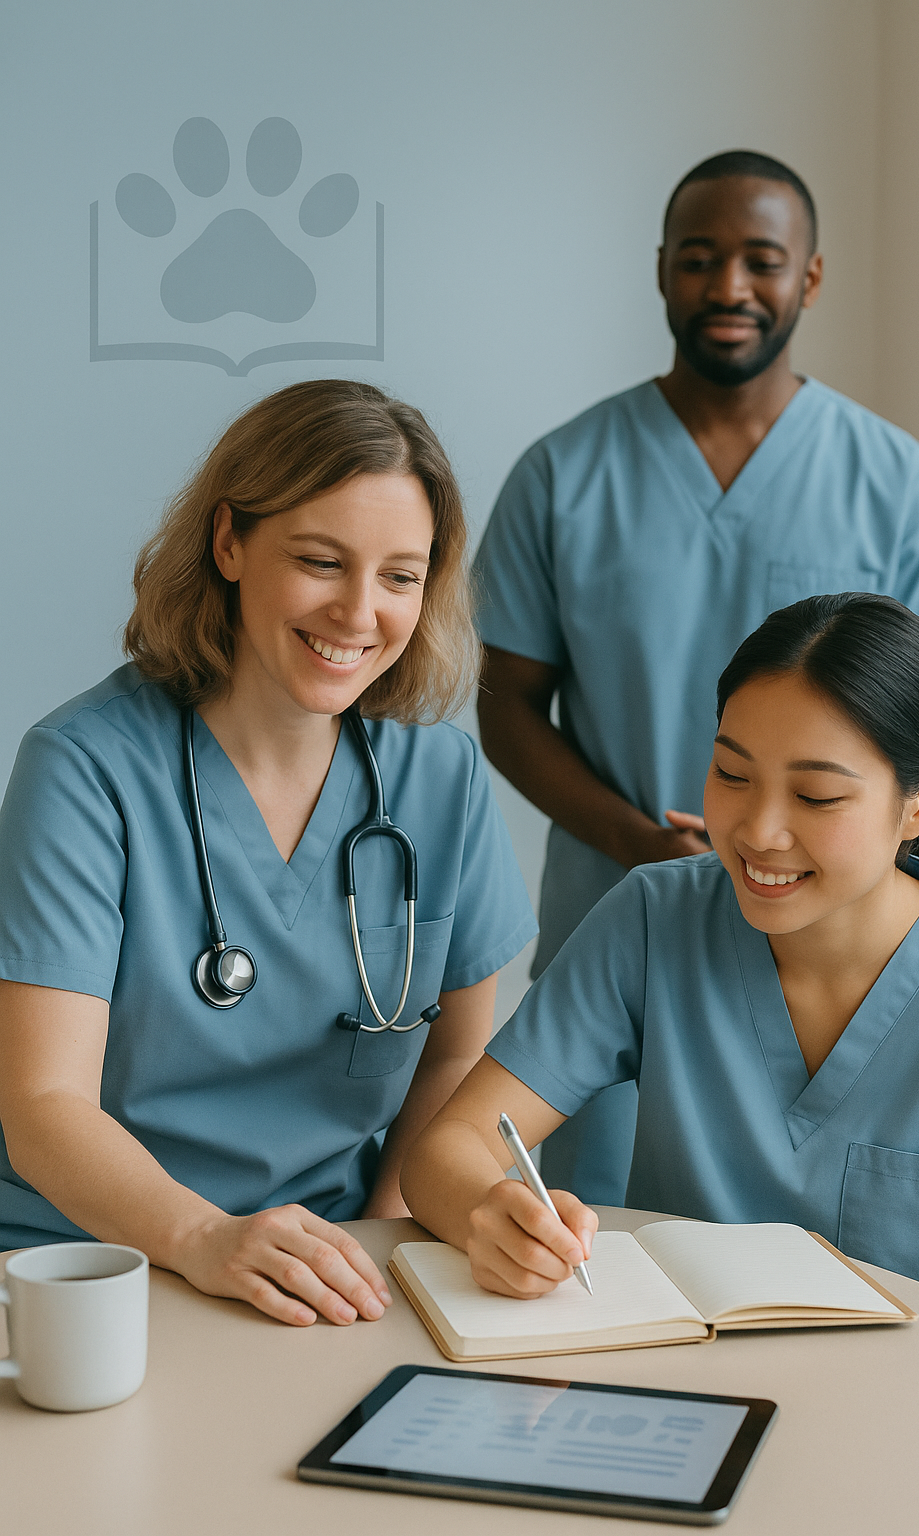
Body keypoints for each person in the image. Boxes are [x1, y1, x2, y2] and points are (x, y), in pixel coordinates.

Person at [472, 149, 919, 1206]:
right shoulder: (563, 475)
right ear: (661, 270)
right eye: (700, 259)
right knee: (578, 1247)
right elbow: (505, 704)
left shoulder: (892, 479)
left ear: (807, 278)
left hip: (842, 949)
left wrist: (825, 850)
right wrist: (645, 847)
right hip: (621, 924)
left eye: (760, 260)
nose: (728, 287)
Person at [0, 380, 536, 1328]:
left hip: (328, 1268)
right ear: (230, 543)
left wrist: (380, 1241)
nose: (359, 612)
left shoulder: (440, 779)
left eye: (401, 577)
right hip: (91, 1273)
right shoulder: (84, 770)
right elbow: (44, 1106)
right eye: (321, 561)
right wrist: (206, 1240)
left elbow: (455, 1061)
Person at [403, 594, 919, 1320]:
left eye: (816, 796)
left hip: (902, 1416)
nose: (759, 832)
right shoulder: (653, 918)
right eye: (732, 775)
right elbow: (447, 1149)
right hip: (679, 1398)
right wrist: (495, 1213)